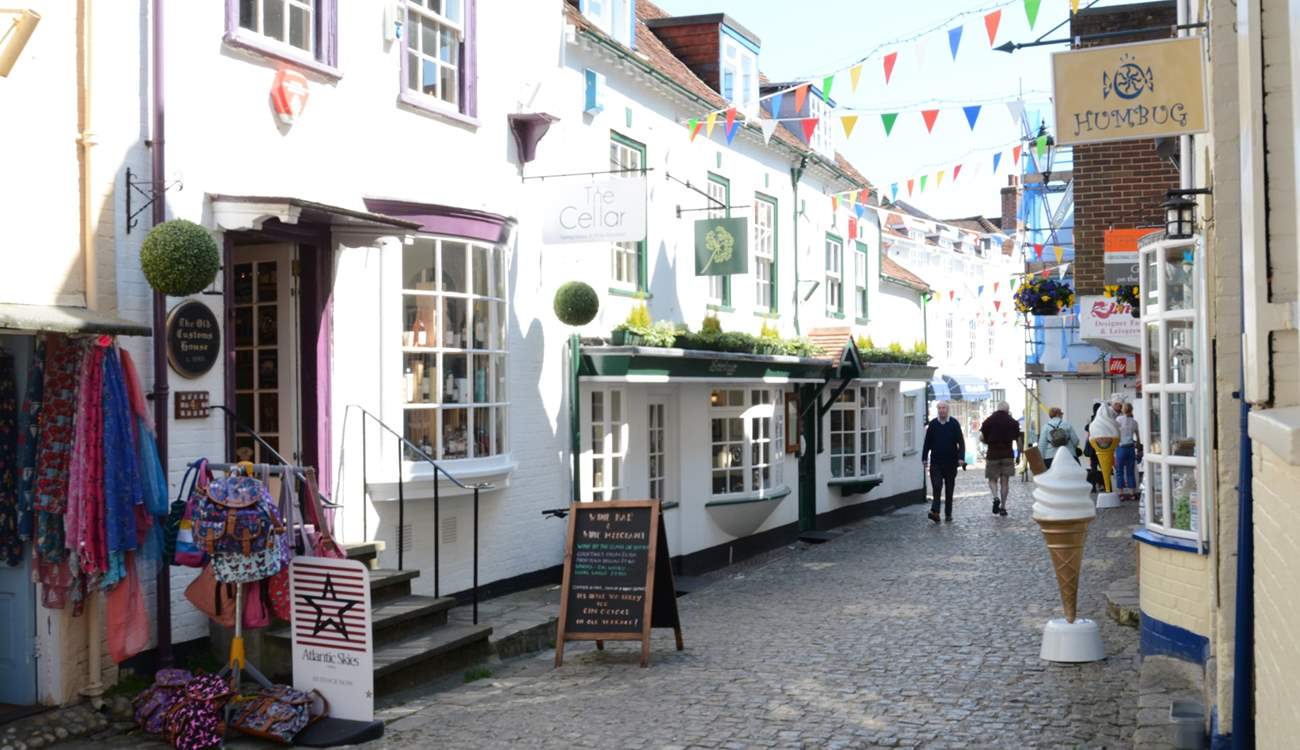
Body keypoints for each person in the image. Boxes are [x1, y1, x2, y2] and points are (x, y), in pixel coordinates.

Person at [922, 401, 966, 523]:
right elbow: (927, 442)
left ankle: (948, 513)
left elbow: (961, 442)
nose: (941, 410)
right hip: (936, 461)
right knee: (936, 485)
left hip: (951, 462)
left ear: (947, 410)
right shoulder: (933, 424)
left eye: (943, 408)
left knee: (949, 488)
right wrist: (924, 458)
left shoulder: (954, 423)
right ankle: (935, 512)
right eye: (939, 408)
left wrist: (961, 457)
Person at [979, 401, 1023, 516]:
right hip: (1007, 455)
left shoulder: (988, 421)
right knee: (1005, 481)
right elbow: (1018, 440)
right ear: (1007, 410)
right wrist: (1020, 454)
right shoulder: (1013, 422)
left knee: (992, 479)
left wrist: (988, 441)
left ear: (997, 409)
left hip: (992, 455)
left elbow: (982, 437)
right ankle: (1003, 507)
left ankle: (995, 497)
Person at [1115, 402, 1140, 500]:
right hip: (1130, 448)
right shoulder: (1134, 422)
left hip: (1120, 447)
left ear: (1122, 409)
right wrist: (1138, 446)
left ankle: (1121, 493)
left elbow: (1115, 433)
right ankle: (1131, 493)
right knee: (1130, 471)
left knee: (1119, 471)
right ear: (1131, 410)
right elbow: (1138, 437)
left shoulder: (1118, 420)